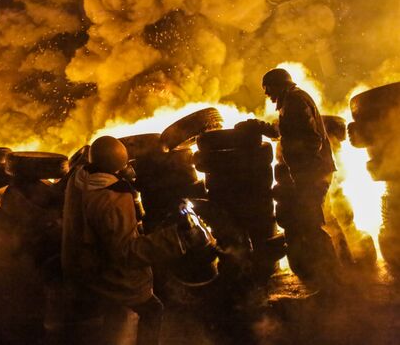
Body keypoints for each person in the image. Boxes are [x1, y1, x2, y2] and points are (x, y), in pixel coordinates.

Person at [61, 136, 211, 345]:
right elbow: (126, 252)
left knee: (112, 316)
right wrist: (178, 238)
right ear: (118, 168)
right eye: (125, 167)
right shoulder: (112, 199)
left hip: (78, 261)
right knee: (152, 309)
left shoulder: (78, 179)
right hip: (103, 273)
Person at [236, 68, 339, 289]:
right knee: (310, 221)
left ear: (278, 84)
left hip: (312, 174)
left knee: (311, 225)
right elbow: (284, 131)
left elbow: (311, 139)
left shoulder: (295, 101)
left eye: (268, 89)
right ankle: (330, 277)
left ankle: (333, 281)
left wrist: (304, 174)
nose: (267, 94)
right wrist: (259, 126)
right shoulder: (291, 101)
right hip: (311, 173)